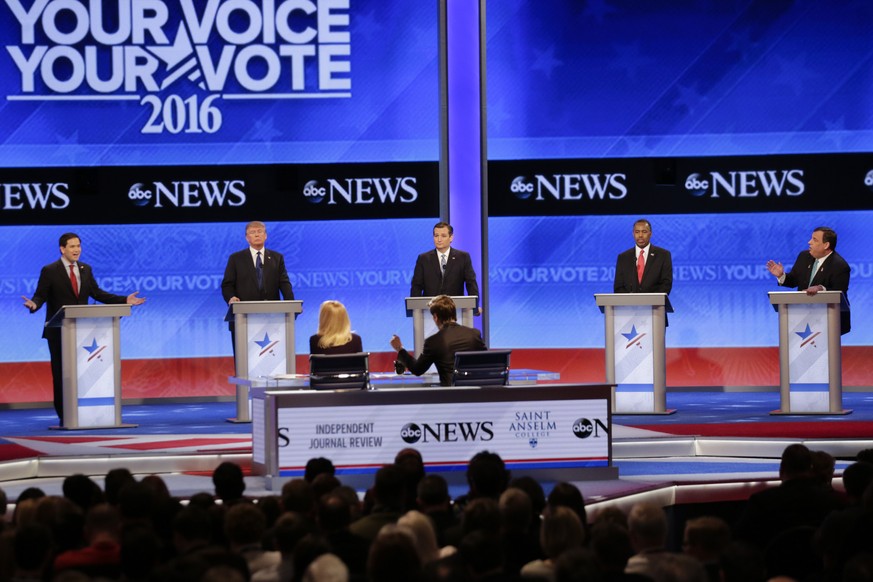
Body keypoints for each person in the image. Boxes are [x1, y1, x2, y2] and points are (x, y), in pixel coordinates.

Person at [22, 232, 146, 426]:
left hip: (84, 332)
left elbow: (97, 293)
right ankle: (65, 416)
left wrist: (124, 300)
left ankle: (87, 414)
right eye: (72, 246)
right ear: (62, 249)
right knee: (62, 374)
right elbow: (40, 295)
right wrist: (34, 305)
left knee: (83, 373)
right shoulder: (50, 270)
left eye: (78, 246)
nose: (76, 249)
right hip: (59, 332)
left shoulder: (85, 269)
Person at [766, 226, 851, 334]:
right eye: (811, 238)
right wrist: (781, 275)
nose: (809, 242)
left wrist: (821, 288)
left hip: (829, 321)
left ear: (826, 245)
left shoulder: (840, 266)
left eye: (814, 240)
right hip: (803, 317)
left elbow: (840, 293)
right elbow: (793, 280)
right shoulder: (804, 256)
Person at [390, 295, 486, 386]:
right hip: (476, 394)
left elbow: (417, 369)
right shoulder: (474, 334)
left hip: (450, 397)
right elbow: (487, 362)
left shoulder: (433, 341)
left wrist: (400, 349)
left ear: (435, 317)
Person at [410, 221, 480, 314]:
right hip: (429, 312)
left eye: (443, 236)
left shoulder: (463, 257)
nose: (439, 239)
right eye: (436, 236)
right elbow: (416, 286)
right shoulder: (423, 259)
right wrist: (415, 309)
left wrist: (474, 307)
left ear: (451, 237)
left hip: (455, 312)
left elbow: (471, 284)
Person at [614, 218, 673, 295]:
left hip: (655, 305)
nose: (640, 235)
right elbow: (618, 287)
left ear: (650, 234)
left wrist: (649, 301)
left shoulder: (663, 255)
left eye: (644, 232)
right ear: (633, 234)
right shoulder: (623, 257)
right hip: (629, 305)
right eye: (637, 232)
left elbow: (666, 284)